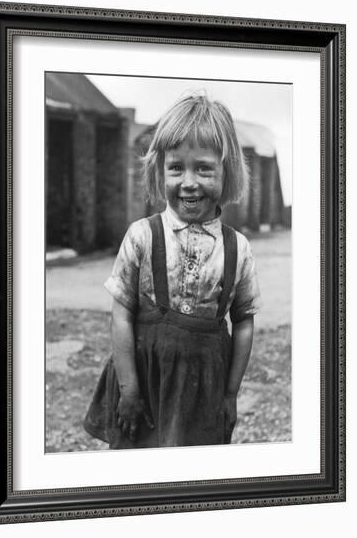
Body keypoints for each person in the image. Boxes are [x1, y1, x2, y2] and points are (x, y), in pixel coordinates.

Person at [83, 91, 261, 449]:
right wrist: (129, 390)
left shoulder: (237, 248)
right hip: (144, 380)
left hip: (203, 387)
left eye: (204, 168)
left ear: (226, 173)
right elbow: (121, 315)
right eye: (176, 167)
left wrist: (229, 394)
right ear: (158, 169)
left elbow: (243, 322)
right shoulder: (141, 236)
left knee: (192, 478)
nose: (189, 181)